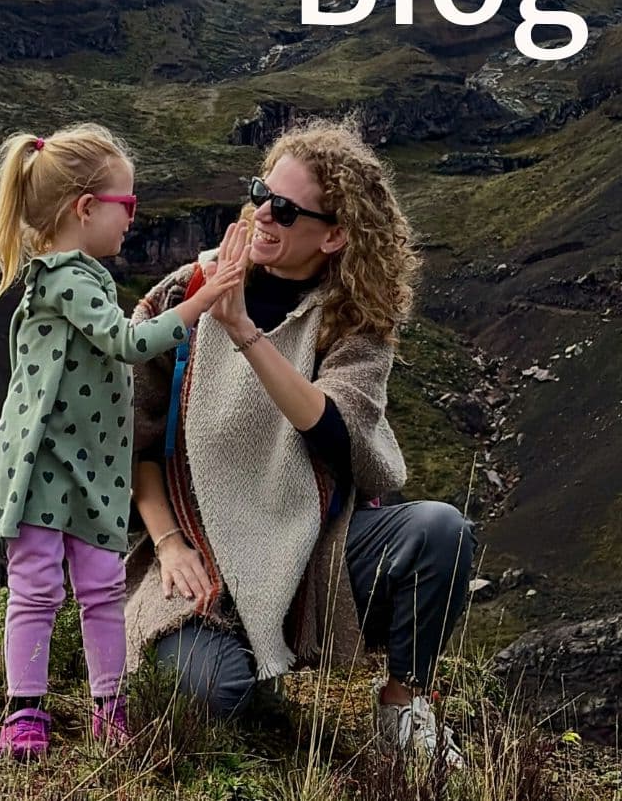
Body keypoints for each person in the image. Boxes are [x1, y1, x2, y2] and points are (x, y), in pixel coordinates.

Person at [126, 118, 475, 768]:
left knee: (440, 531)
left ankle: (401, 706)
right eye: (260, 192)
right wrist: (170, 544)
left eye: (284, 208)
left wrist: (247, 337)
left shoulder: (353, 322)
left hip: (307, 551)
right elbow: (134, 441)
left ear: (335, 235)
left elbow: (344, 433)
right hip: (195, 559)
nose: (262, 212)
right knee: (208, 695)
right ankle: (242, 662)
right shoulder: (183, 293)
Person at [0, 123, 248, 762]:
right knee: (49, 590)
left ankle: (101, 708)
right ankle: (31, 710)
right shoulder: (69, 279)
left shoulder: (76, 275)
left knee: (90, 589)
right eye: (127, 205)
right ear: (85, 209)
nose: (132, 220)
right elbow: (128, 342)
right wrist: (205, 302)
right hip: (47, 468)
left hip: (87, 467)